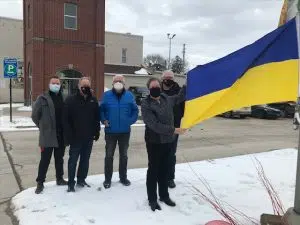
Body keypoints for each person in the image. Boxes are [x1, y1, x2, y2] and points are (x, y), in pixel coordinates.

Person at [141, 77, 186, 211]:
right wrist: (174, 130)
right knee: (154, 170)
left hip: (168, 141)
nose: (155, 89)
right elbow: (153, 125)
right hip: (154, 142)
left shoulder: (166, 98)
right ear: (149, 89)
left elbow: (179, 97)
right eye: (152, 87)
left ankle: (164, 195)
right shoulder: (146, 104)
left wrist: (187, 85)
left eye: (157, 87)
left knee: (165, 169)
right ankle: (152, 199)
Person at [100, 75, 138, 189]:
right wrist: (103, 119)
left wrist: (129, 121)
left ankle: (123, 177)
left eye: (120, 81)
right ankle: (107, 179)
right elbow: (101, 109)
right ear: (112, 83)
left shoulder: (129, 95)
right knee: (109, 156)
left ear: (124, 83)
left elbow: (135, 110)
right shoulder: (106, 95)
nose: (118, 83)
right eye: (116, 81)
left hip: (125, 132)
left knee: (124, 156)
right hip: (110, 131)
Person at [31, 75, 68, 194]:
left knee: (59, 159)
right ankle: (40, 182)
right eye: (53, 83)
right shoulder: (42, 98)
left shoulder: (63, 97)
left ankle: (59, 178)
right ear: (49, 84)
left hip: (60, 135)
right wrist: (43, 127)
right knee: (45, 160)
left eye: (58, 83)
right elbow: (35, 116)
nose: (56, 85)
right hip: (47, 135)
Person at [63, 77, 100, 192]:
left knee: (85, 160)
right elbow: (65, 120)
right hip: (75, 138)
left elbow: (96, 117)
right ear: (79, 86)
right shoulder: (70, 100)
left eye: (87, 86)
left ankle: (81, 179)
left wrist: (97, 131)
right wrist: (68, 136)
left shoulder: (93, 100)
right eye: (83, 86)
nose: (85, 88)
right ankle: (70, 183)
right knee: (73, 161)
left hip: (88, 137)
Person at [161, 70, 185, 189]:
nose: (168, 79)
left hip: (174, 127)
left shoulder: (179, 90)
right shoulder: (157, 90)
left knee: (171, 153)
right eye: (166, 77)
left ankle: (170, 178)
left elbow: (184, 107)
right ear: (162, 78)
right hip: (159, 127)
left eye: (170, 77)